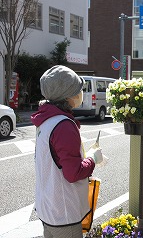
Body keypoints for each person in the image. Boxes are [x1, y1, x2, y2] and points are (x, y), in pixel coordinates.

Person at [31, 65, 103, 238]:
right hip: (63, 213)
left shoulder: (45, 120)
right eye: (77, 90)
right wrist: (93, 159)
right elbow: (73, 173)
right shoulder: (64, 125)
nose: (81, 94)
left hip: (48, 207)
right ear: (67, 96)